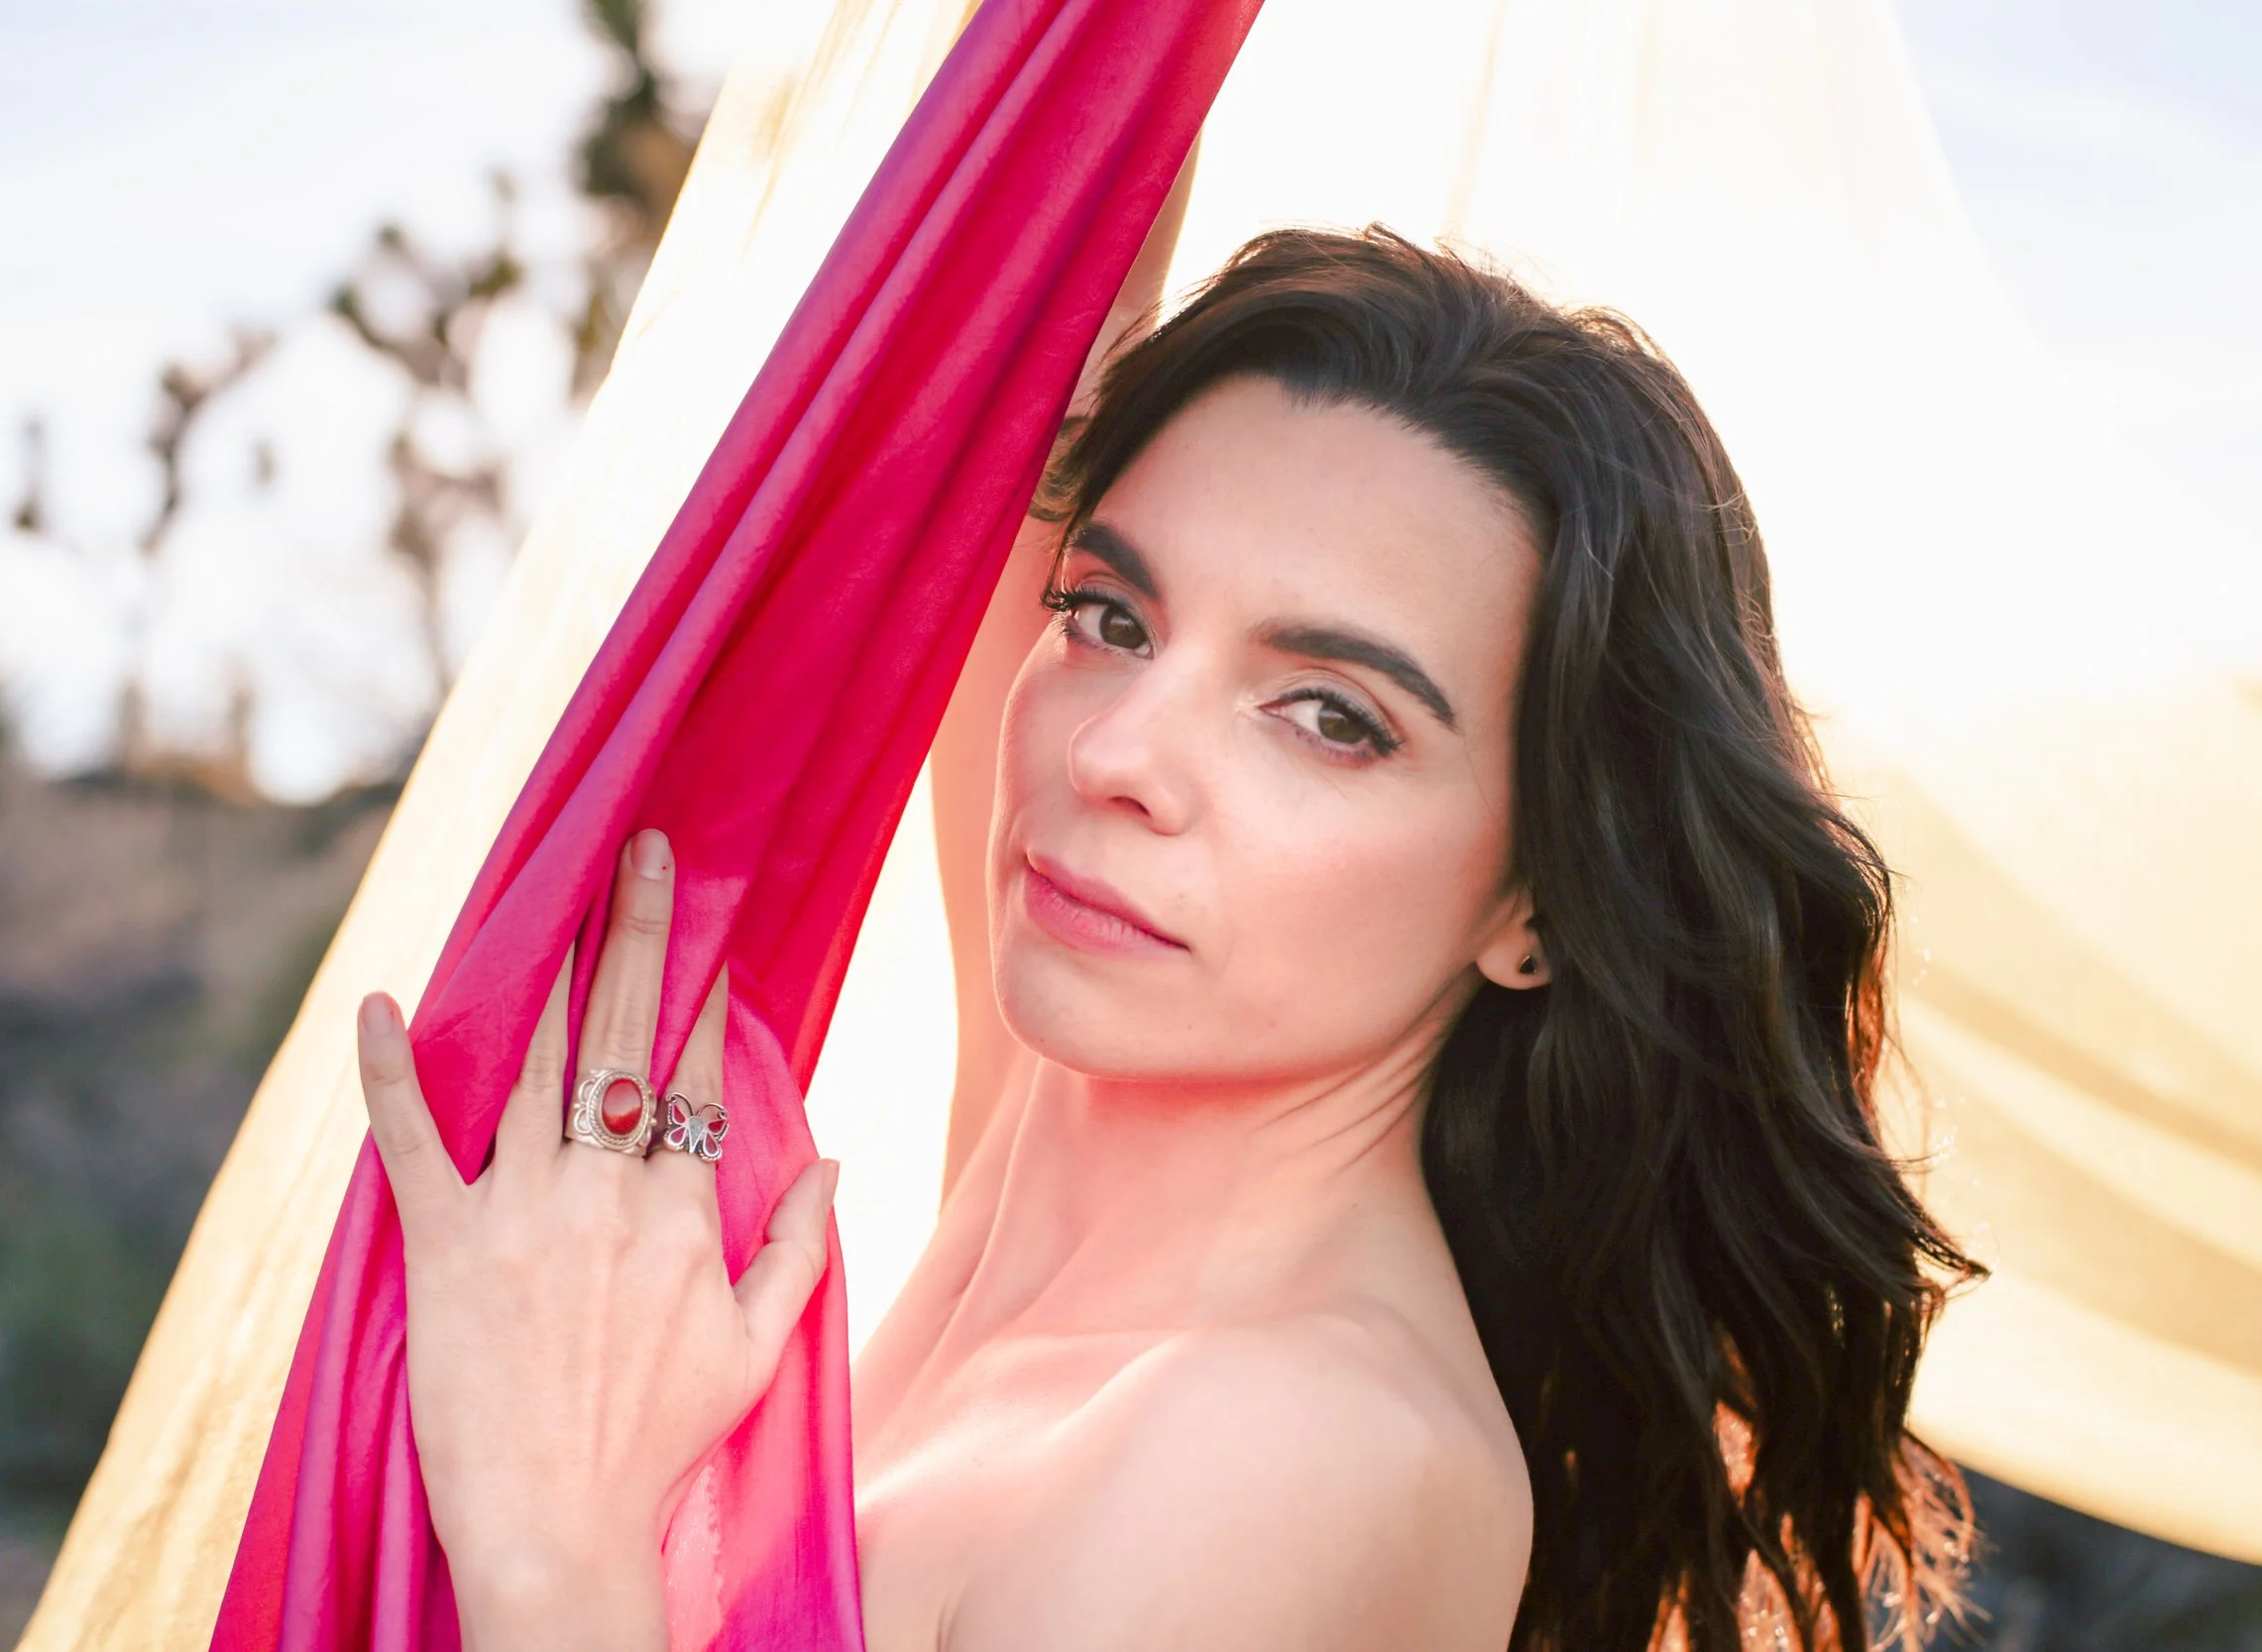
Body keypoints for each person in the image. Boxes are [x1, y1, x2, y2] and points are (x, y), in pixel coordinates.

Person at [354, 228, 1976, 1652]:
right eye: (1111, 614)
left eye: (1329, 718)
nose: (1113, 750)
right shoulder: (1045, 1185)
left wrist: (555, 1558)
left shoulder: (1290, 1449)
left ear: (1534, 902)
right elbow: (1031, 260)